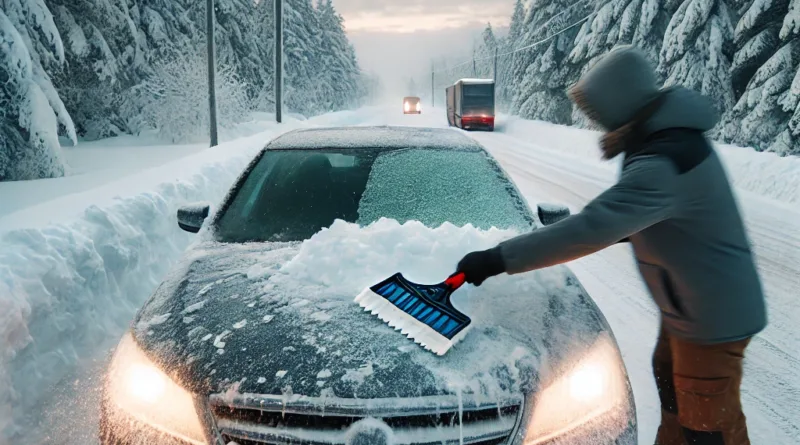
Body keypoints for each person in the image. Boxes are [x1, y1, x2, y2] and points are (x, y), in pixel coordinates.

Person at [454, 45, 767, 445]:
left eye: (599, 113)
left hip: (712, 321)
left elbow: (595, 227)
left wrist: (497, 258)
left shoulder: (664, 160)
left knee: (707, 428)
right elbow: (633, 219)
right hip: (693, 310)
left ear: (621, 104)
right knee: (675, 398)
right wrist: (587, 226)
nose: (598, 123)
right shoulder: (668, 143)